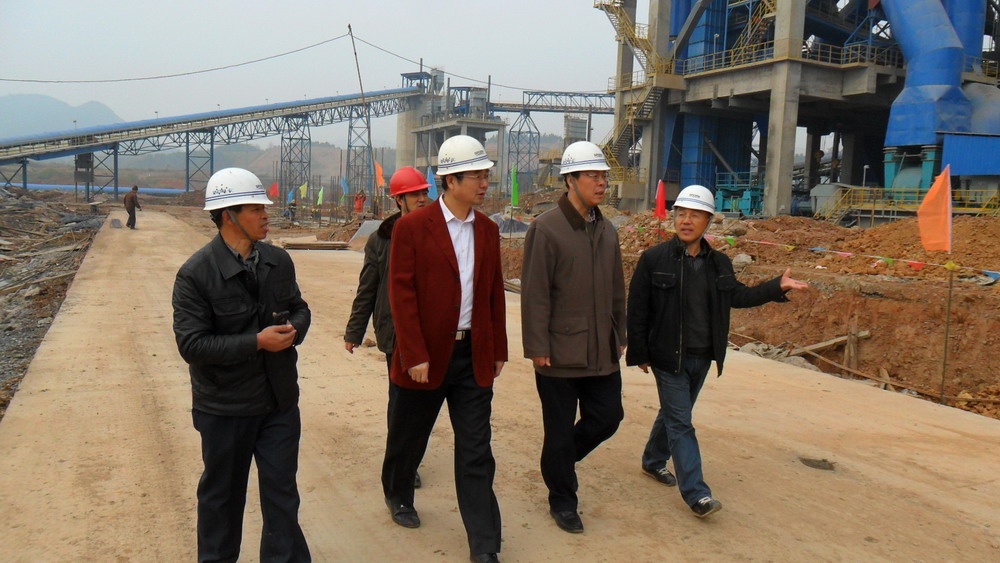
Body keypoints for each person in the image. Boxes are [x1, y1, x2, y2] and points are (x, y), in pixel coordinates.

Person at [626, 184, 808, 519]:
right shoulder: (654, 259)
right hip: (667, 355)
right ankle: (697, 494)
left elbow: (738, 296)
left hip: (703, 356)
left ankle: (652, 461)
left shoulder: (719, 263)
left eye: (695, 215)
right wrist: (640, 352)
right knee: (682, 423)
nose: (686, 220)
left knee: (674, 414)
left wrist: (775, 286)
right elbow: (638, 307)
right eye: (681, 213)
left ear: (708, 221)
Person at [172, 167, 312, 562]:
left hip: (278, 402)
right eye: (256, 209)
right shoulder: (196, 274)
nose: (267, 215)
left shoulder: (278, 261)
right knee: (222, 499)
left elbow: (299, 307)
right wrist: (256, 342)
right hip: (225, 408)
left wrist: (295, 329)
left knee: (282, 495)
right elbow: (192, 344)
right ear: (228, 216)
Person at [381, 135, 507, 563]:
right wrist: (413, 353)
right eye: (475, 175)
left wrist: (498, 347)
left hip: (472, 356)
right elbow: (401, 294)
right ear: (450, 180)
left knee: (476, 450)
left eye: (486, 175)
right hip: (426, 356)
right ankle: (398, 493)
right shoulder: (412, 228)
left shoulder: (488, 230)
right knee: (409, 435)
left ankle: (484, 545)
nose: (484, 183)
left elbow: (493, 292)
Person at [520, 141, 626, 534]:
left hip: (601, 348)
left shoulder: (608, 230)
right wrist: (538, 346)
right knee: (560, 431)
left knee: (608, 417)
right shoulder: (546, 229)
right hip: (559, 352)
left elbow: (617, 288)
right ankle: (564, 502)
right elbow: (535, 293)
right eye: (593, 176)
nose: (601, 183)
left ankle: (557, 462)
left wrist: (620, 333)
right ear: (570, 180)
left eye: (603, 176)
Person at [344, 166, 430, 487]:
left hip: (430, 328)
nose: (421, 199)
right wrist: (355, 331)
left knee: (424, 400)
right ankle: (403, 462)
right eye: (414, 194)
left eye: (424, 192)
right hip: (394, 330)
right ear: (399, 201)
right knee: (401, 398)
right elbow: (368, 287)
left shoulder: (437, 233)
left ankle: (411, 455)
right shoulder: (381, 239)